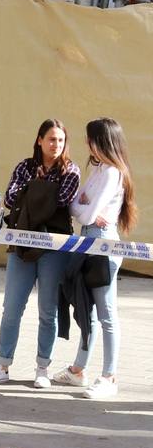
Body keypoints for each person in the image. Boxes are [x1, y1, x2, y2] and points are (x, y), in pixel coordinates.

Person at [0, 119, 79, 390]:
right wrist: (41, 189)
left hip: (54, 247)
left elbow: (61, 203)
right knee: (12, 308)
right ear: (39, 140)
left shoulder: (70, 170)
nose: (56, 145)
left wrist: (32, 190)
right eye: (51, 139)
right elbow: (11, 199)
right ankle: (2, 366)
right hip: (21, 243)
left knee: (48, 310)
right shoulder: (24, 166)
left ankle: (42, 367)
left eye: (61, 140)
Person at [51, 118, 137, 400]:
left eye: (90, 139)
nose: (87, 144)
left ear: (101, 141)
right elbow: (75, 205)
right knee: (87, 311)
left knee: (106, 313)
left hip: (102, 244)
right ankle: (78, 369)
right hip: (87, 241)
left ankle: (109, 376)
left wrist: (85, 207)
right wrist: (84, 207)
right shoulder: (99, 169)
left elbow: (85, 213)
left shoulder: (112, 173)